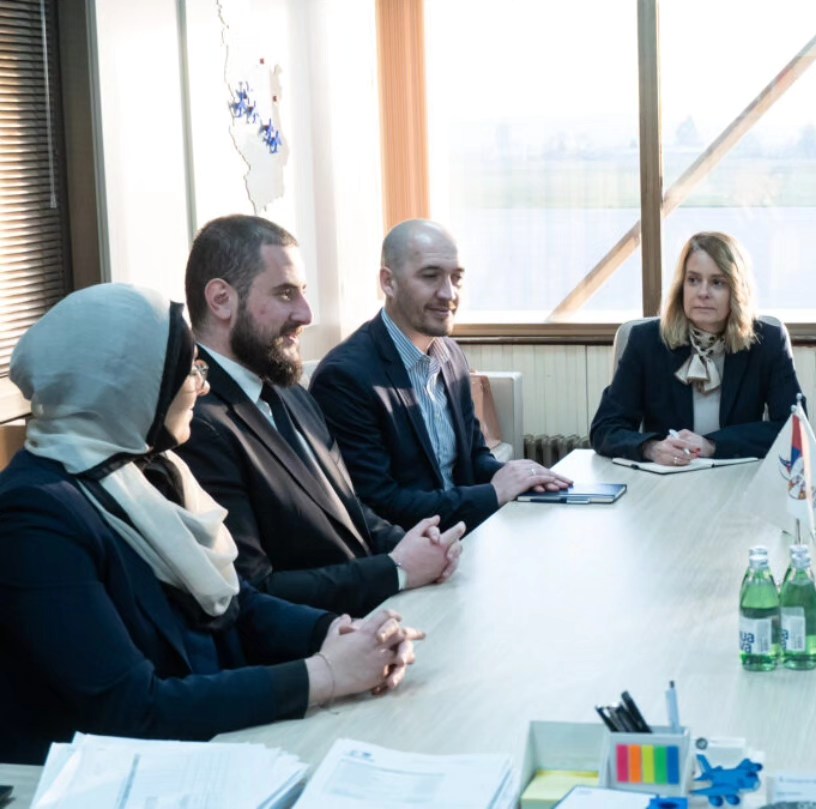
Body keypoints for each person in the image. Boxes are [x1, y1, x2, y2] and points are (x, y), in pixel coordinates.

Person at [0, 284, 425, 764]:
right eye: (189, 371)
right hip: (110, 775)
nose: (202, 387)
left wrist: (338, 633)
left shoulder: (148, 471)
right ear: (127, 384)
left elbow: (234, 603)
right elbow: (130, 708)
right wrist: (324, 675)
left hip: (204, 750)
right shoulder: (34, 516)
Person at [176, 215, 464, 617]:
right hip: (324, 636)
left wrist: (413, 544)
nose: (306, 313)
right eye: (285, 294)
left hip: (381, 611)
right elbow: (253, 590)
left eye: (303, 293)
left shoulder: (289, 390)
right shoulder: (196, 423)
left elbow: (348, 508)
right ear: (221, 299)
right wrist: (396, 570)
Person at [309, 220, 569, 531]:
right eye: (431, 276)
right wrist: (493, 493)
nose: (449, 293)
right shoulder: (344, 378)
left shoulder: (451, 354)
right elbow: (378, 504)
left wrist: (515, 476)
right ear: (388, 282)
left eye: (456, 278)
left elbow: (473, 456)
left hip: (466, 532)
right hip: (412, 547)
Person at [590, 231, 803, 464]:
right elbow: (605, 428)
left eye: (717, 283)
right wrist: (651, 448)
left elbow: (795, 429)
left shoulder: (767, 341)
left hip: (736, 473)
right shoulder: (646, 341)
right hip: (669, 475)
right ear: (681, 286)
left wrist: (713, 445)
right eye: (693, 280)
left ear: (737, 290)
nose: (702, 293)